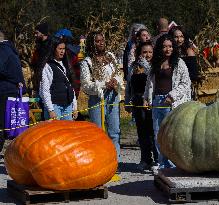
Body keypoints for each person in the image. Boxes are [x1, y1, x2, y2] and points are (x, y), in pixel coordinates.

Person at [144, 34, 192, 169]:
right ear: (160, 48)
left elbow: (185, 83)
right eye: (164, 46)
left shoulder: (179, 63)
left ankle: (172, 164)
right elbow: (149, 83)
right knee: (158, 133)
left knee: (170, 134)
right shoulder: (155, 63)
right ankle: (162, 162)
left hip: (170, 101)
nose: (167, 49)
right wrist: (146, 98)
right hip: (157, 101)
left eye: (170, 46)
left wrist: (172, 95)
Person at [80, 32, 123, 161]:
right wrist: (104, 84)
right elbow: (86, 84)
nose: (101, 43)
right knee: (98, 131)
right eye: (97, 41)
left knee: (114, 130)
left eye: (102, 40)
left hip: (113, 95)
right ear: (92, 44)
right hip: (97, 97)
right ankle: (99, 161)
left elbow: (118, 73)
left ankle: (116, 161)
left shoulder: (110, 56)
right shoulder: (87, 62)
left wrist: (115, 80)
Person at [127, 41, 158, 171]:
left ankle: (157, 160)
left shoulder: (155, 66)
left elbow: (153, 78)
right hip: (138, 102)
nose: (147, 54)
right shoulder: (133, 67)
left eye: (150, 52)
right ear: (139, 53)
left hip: (152, 101)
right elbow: (129, 84)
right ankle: (145, 159)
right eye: (144, 52)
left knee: (154, 132)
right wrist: (128, 100)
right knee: (142, 132)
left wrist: (146, 65)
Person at [39, 37, 78, 120]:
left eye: (64, 49)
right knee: (55, 132)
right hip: (55, 106)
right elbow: (45, 90)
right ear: (54, 49)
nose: (62, 51)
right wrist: (51, 110)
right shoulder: (48, 66)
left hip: (68, 105)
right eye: (60, 49)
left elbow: (71, 86)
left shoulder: (67, 64)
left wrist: (74, 107)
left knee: (68, 132)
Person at [0, 28, 26, 152]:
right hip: (12, 90)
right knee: (8, 123)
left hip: (4, 91)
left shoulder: (2, 50)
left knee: (2, 123)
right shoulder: (10, 49)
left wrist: (13, 79)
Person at [168, 26, 199, 99]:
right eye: (176, 37)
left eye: (181, 36)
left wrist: (179, 77)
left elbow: (194, 74)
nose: (179, 40)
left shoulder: (189, 52)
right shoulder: (168, 53)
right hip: (169, 88)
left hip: (183, 90)